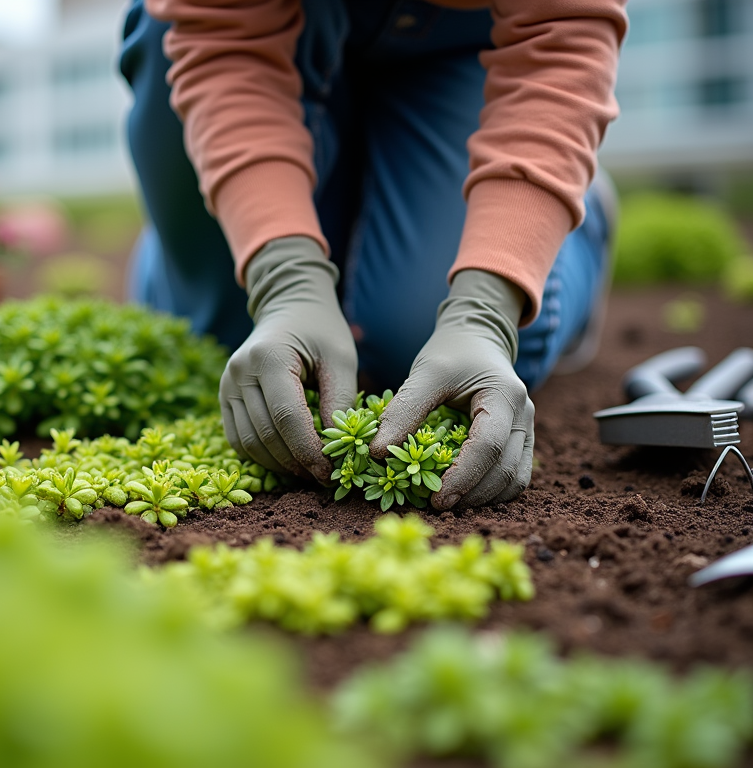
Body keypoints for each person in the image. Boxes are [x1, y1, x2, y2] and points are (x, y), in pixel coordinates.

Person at [119, 0, 627, 509]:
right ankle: (211, 250)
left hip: (471, 45)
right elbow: (223, 38)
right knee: (242, 357)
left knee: (419, 353)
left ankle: (578, 223)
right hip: (274, 31)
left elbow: (562, 37)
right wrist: (285, 279)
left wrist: (486, 310)